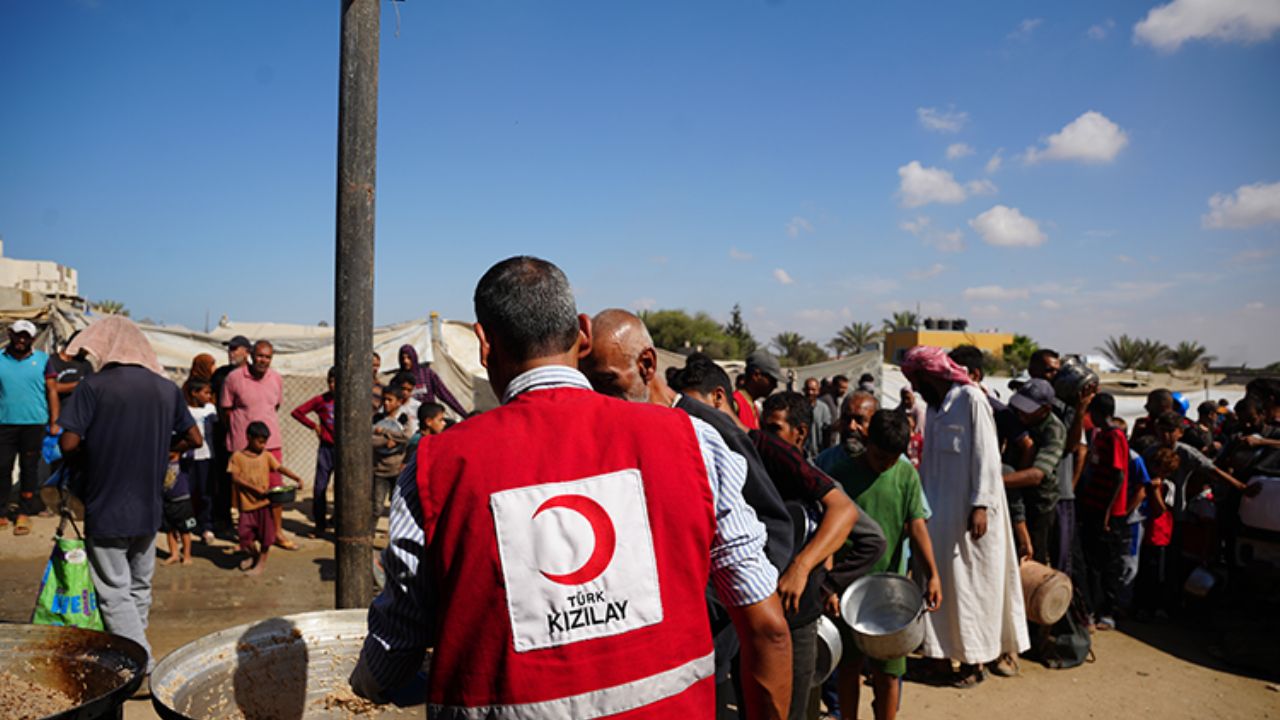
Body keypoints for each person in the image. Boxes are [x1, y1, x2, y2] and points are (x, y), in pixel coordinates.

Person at [352, 259, 793, 719]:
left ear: (485, 345)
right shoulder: (694, 442)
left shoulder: (434, 468)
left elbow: (396, 643)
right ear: (583, 333)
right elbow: (768, 630)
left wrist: (366, 683)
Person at [579, 311, 796, 715]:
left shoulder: (706, 434)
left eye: (608, 382)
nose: (599, 399)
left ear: (646, 365)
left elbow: (773, 527)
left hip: (707, 637)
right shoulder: (613, 431)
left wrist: (706, 600)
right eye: (589, 385)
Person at [57, 316, 202, 670]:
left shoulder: (94, 386)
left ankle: (141, 665)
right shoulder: (167, 388)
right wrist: (166, 449)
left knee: (113, 592)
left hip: (106, 505)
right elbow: (195, 439)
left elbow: (68, 442)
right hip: (149, 510)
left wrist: (94, 451)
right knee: (138, 588)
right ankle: (130, 657)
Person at [901, 346, 1028, 688]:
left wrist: (981, 504)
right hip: (938, 517)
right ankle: (939, 659)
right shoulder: (935, 408)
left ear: (931, 375)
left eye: (917, 379)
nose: (915, 387)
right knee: (941, 585)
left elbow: (987, 455)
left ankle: (975, 662)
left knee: (974, 587)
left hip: (972, 515)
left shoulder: (971, 399)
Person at [817, 409, 941, 720]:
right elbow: (830, 532)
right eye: (878, 455)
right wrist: (829, 583)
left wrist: (934, 576)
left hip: (890, 592)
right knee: (848, 668)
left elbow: (917, 527)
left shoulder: (905, 475)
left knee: (888, 674)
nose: (884, 463)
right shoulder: (842, 474)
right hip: (847, 591)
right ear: (867, 442)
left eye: (891, 458)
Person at [221, 339, 296, 550]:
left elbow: (276, 406)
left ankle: (277, 533)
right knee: (245, 492)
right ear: (251, 355)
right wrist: (240, 432)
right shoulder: (234, 378)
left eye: (268, 357)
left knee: (275, 489)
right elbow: (226, 410)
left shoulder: (276, 379)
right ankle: (247, 537)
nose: (263, 360)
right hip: (242, 446)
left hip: (270, 444)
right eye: (260, 355)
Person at [1078, 393, 1129, 629]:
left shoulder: (1116, 437)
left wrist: (1108, 511)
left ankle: (1109, 611)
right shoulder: (1100, 435)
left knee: (1109, 563)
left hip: (1109, 511)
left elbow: (1118, 474)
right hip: (1093, 505)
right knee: (1093, 561)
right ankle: (1092, 607)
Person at [1002, 379, 1066, 564]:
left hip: (1038, 502)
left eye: (1027, 409)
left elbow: (1037, 475)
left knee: (1031, 556)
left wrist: (996, 481)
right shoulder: (1016, 416)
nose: (1021, 412)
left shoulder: (1055, 430)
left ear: (1046, 409)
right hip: (1014, 494)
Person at [228, 421, 304, 576]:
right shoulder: (237, 457)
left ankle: (261, 563)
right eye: (260, 442)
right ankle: (253, 555)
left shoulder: (266, 456)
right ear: (249, 438)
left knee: (266, 537)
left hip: (264, 504)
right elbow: (235, 477)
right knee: (244, 536)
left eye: (265, 442)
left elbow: (279, 468)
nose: (262, 445)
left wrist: (296, 477)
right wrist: (254, 488)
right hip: (247, 505)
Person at [1, 319, 52, 534]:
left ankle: (24, 512)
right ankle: (2, 511)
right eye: (17, 335)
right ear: (10, 334)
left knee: (29, 469)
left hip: (34, 422)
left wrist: (55, 420)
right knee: (2, 467)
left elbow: (52, 391)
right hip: (4, 423)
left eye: (25, 336)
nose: (21, 340)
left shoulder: (43, 360)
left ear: (32, 339)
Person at [210, 335, 251, 535]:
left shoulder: (254, 374)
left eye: (235, 348)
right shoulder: (220, 375)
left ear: (246, 352)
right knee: (223, 478)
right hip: (223, 433)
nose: (231, 352)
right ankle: (222, 520)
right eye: (229, 348)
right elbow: (212, 399)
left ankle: (249, 524)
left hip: (247, 436)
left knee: (248, 480)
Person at [291, 367, 337, 537]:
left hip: (345, 451)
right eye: (330, 382)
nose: (333, 385)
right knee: (320, 488)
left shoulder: (349, 401)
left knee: (343, 489)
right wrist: (314, 426)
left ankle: (338, 521)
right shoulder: (321, 400)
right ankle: (320, 525)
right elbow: (297, 412)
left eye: (336, 382)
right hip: (326, 449)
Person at [1134, 448, 1178, 619]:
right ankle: (1141, 606)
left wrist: (1155, 490)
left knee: (1156, 572)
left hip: (1159, 535)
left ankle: (1155, 606)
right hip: (1144, 530)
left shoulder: (1168, 486)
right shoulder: (1145, 482)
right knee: (1143, 570)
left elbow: (1161, 509)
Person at [183, 379, 218, 544]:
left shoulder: (210, 410)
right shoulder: (184, 410)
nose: (209, 396)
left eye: (210, 393)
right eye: (205, 393)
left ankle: (207, 526)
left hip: (206, 457)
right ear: (194, 393)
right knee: (188, 494)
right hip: (189, 458)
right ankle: (187, 527)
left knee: (206, 494)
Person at [396, 344, 467, 418]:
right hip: (411, 421)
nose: (405, 361)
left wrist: (464, 414)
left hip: (430, 418)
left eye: (409, 358)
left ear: (414, 358)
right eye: (403, 358)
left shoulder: (427, 374)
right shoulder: (397, 380)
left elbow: (445, 394)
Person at [372, 390, 410, 525]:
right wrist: (385, 442)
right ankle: (369, 536)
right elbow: (370, 440)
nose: (386, 403)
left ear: (399, 402)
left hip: (398, 470)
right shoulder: (377, 418)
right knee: (376, 507)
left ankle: (394, 536)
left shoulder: (403, 419)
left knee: (397, 507)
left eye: (390, 400)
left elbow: (407, 437)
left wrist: (385, 432)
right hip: (379, 470)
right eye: (384, 400)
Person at [45, 331, 94, 434]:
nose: (89, 352)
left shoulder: (86, 365)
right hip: (53, 419)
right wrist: (80, 384)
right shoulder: (51, 361)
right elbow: (52, 388)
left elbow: (91, 388)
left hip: (77, 420)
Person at [161, 455, 196, 566]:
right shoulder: (162, 462)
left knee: (185, 531)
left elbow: (191, 450)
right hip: (167, 501)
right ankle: (174, 554)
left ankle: (187, 555)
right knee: (169, 530)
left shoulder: (183, 463)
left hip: (183, 501)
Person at [735, 350, 782, 431]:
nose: (775, 386)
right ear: (756, 375)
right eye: (772, 380)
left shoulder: (754, 407)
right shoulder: (735, 404)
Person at [802, 377, 832, 459]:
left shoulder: (823, 408)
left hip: (819, 454)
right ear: (804, 390)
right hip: (802, 454)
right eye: (808, 389)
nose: (810, 392)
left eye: (813, 390)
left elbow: (827, 431)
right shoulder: (799, 407)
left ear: (818, 391)